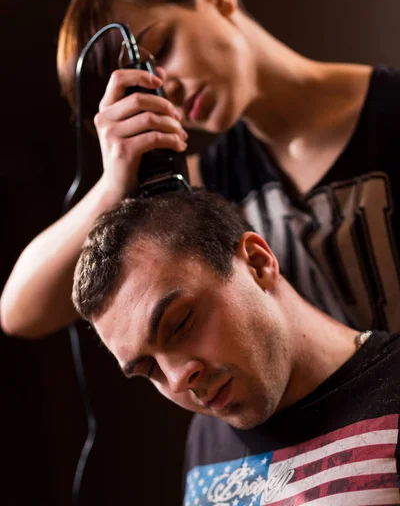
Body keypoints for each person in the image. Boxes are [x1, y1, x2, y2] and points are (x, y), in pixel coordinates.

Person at [2, 0, 400, 337]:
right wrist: (113, 186)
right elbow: (21, 312)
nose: (165, 88)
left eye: (164, 50)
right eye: (142, 83)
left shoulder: (389, 107)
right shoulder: (207, 183)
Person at [72, 189, 400, 505]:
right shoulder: (206, 439)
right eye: (148, 369)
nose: (176, 380)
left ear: (258, 264)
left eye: (180, 324)